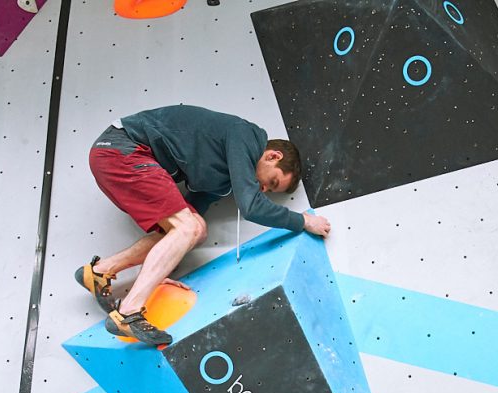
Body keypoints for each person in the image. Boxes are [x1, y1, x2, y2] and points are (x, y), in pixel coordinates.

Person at [76, 104, 332, 345]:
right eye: (272, 183)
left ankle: (99, 272)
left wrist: (160, 274)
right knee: (190, 227)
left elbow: (176, 235)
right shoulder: (246, 134)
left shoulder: (222, 182)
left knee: (194, 228)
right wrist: (303, 221)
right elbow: (251, 206)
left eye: (270, 191)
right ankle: (129, 313)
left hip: (118, 159)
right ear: (272, 156)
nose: (263, 190)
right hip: (123, 149)